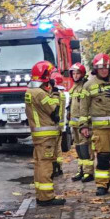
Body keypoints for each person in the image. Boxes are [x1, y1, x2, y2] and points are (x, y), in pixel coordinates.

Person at [77, 54, 110, 196]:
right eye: (100, 68)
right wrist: (84, 126)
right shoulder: (88, 85)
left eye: (106, 68)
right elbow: (83, 109)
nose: (104, 71)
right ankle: (102, 185)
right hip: (100, 130)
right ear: (95, 69)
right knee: (103, 158)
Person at [25, 61, 66, 206]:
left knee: (40, 163)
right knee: (46, 165)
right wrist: (54, 91)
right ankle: (46, 197)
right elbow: (54, 111)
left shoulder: (32, 91)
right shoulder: (39, 93)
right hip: (46, 136)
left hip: (40, 136)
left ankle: (41, 195)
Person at [67, 63, 94, 183]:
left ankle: (89, 172)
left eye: (77, 73)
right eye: (73, 73)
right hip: (74, 124)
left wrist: (86, 124)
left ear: (82, 74)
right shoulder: (74, 87)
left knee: (85, 148)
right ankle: (81, 170)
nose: (75, 75)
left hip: (84, 124)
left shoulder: (85, 87)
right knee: (78, 148)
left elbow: (85, 107)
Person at [50, 70, 67, 178]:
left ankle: (54, 167)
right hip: (60, 125)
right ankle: (59, 167)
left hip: (54, 124)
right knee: (58, 148)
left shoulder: (55, 95)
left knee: (53, 148)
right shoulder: (63, 94)